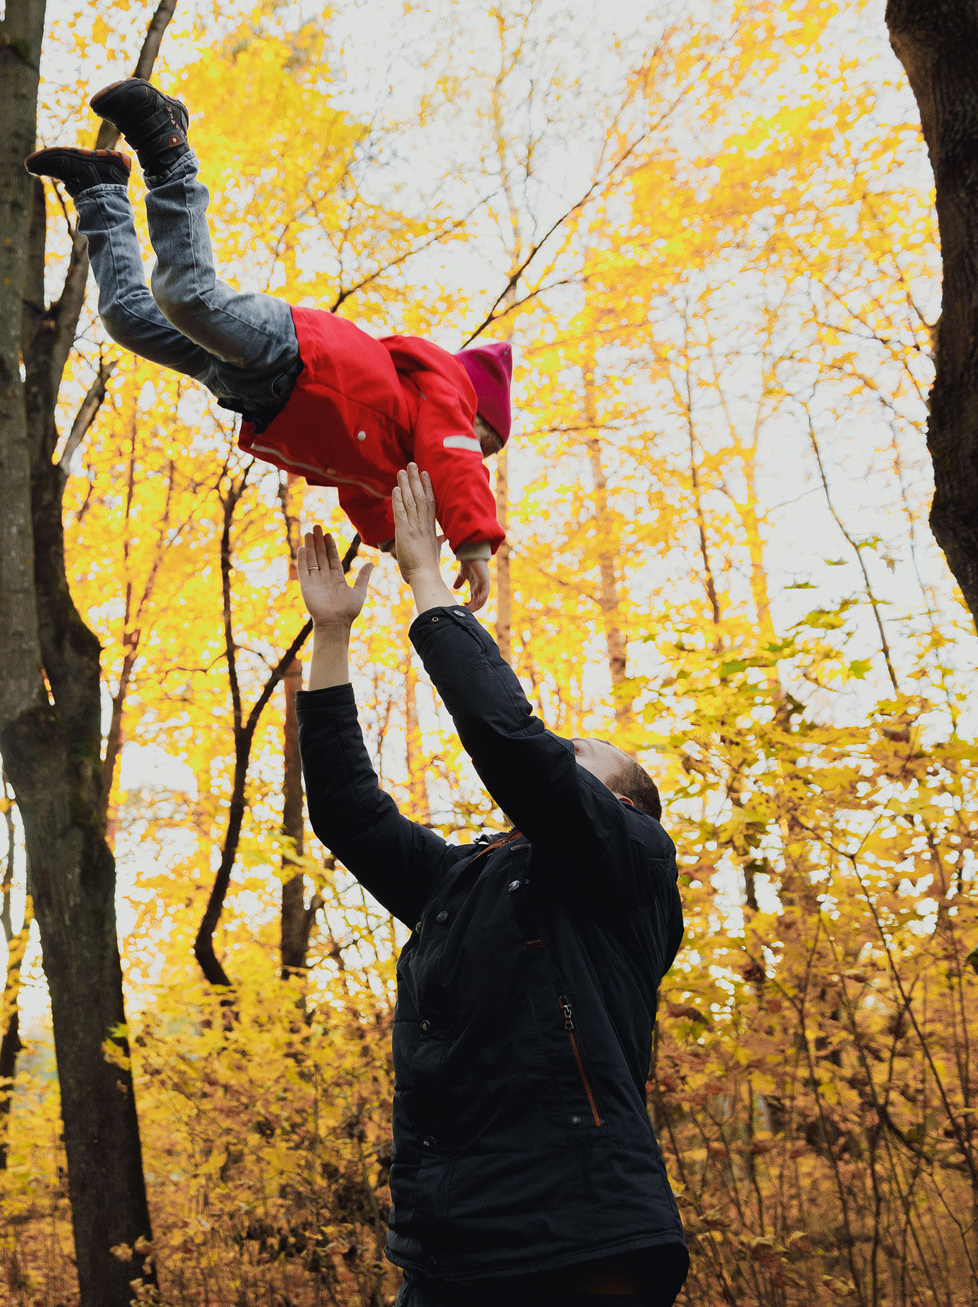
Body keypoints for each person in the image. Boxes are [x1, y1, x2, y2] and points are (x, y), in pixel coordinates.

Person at [292, 464, 690, 1306]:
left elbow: (513, 743)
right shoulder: (463, 881)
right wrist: (330, 637)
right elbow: (347, 815)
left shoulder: (629, 862)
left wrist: (428, 579)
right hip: (446, 1255)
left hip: (583, 1241)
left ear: (617, 802)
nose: (560, 752)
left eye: (579, 755)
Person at [27, 78, 511, 610]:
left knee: (128, 318)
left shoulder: (396, 459)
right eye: (486, 442)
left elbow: (363, 493)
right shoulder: (451, 395)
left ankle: (99, 190)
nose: (480, 454)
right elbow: (455, 455)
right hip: (297, 355)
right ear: (477, 416)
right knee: (188, 296)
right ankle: (167, 148)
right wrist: (474, 541)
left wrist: (396, 543)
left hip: (250, 391)